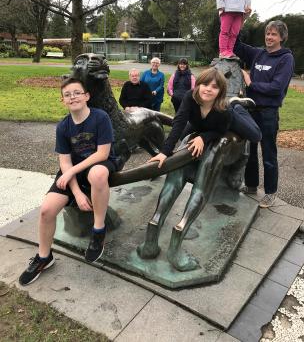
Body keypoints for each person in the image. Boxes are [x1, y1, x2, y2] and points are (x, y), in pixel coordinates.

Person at [137, 67, 261, 270]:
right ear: (198, 85)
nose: (209, 89)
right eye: (205, 84)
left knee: (255, 136)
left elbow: (220, 131)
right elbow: (178, 123)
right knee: (176, 170)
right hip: (198, 126)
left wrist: (203, 137)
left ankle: (239, 104)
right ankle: (151, 240)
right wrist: (165, 153)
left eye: (215, 87)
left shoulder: (224, 110)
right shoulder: (190, 98)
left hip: (227, 121)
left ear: (220, 91)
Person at [19, 77, 118, 286]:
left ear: (86, 96)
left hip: (98, 163)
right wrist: (78, 192)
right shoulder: (63, 126)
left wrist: (73, 171)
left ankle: (98, 230)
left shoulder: (100, 118)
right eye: (67, 94)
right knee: (46, 210)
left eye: (77, 92)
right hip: (71, 172)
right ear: (62, 100)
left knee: (97, 174)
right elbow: (64, 161)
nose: (72, 97)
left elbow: (102, 153)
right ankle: (45, 257)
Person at [234, 20, 295, 208]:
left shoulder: (286, 59)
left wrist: (251, 84)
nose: (269, 37)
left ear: (281, 38)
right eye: (268, 33)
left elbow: (277, 88)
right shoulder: (258, 53)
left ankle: (270, 193)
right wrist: (240, 19)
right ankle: (251, 185)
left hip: (268, 113)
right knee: (250, 151)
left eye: (274, 34)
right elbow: (235, 44)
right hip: (250, 109)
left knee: (268, 153)